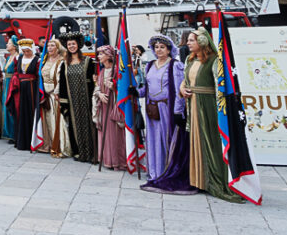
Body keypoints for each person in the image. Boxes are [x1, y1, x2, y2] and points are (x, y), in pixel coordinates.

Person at [150, 28, 244, 203]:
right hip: (192, 105)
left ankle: (215, 180)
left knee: (210, 142)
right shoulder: (189, 59)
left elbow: (220, 85)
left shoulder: (214, 60)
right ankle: (199, 179)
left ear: (202, 42)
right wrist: (182, 89)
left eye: (191, 40)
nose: (187, 43)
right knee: (196, 142)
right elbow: (185, 80)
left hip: (207, 105)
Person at [137, 34, 186, 180]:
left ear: (169, 49)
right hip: (151, 109)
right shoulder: (150, 65)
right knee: (152, 139)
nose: (158, 50)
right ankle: (154, 170)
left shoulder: (175, 66)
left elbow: (179, 90)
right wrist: (136, 92)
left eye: (162, 47)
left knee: (165, 139)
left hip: (166, 108)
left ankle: (166, 170)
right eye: (156, 47)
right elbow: (146, 87)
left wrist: (178, 111)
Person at [58, 32, 96, 163]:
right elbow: (62, 84)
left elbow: (93, 81)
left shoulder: (88, 61)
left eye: (73, 44)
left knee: (89, 124)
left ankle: (92, 152)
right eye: (69, 44)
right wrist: (64, 102)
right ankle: (79, 151)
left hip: (86, 99)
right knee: (74, 125)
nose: (71, 46)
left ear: (78, 45)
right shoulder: (64, 64)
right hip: (72, 100)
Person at [94, 45, 127, 171]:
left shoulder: (116, 71)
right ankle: (107, 159)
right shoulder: (102, 72)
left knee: (115, 134)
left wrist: (114, 88)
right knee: (105, 133)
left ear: (109, 55)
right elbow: (97, 88)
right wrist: (99, 94)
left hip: (113, 106)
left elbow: (124, 90)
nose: (99, 57)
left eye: (101, 54)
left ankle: (118, 160)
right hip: (103, 106)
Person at [38, 38, 70, 157]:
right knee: (46, 121)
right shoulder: (44, 60)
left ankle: (59, 145)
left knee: (55, 120)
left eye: (52, 46)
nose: (50, 48)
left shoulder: (62, 61)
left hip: (54, 95)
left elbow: (62, 79)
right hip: (44, 95)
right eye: (49, 46)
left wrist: (53, 92)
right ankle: (48, 143)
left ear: (58, 48)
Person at [6, 39, 39, 151]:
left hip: (31, 89)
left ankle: (31, 140)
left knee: (30, 113)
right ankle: (20, 140)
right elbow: (16, 71)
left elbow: (38, 75)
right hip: (20, 90)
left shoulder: (37, 60)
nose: (26, 53)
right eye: (24, 51)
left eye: (27, 51)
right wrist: (15, 78)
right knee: (19, 112)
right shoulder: (18, 58)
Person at [0, 40, 18, 141]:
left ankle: (14, 134)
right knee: (6, 107)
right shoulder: (8, 58)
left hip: (13, 83)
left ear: (14, 46)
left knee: (12, 106)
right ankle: (8, 132)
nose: (7, 44)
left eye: (9, 43)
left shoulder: (17, 57)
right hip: (7, 83)